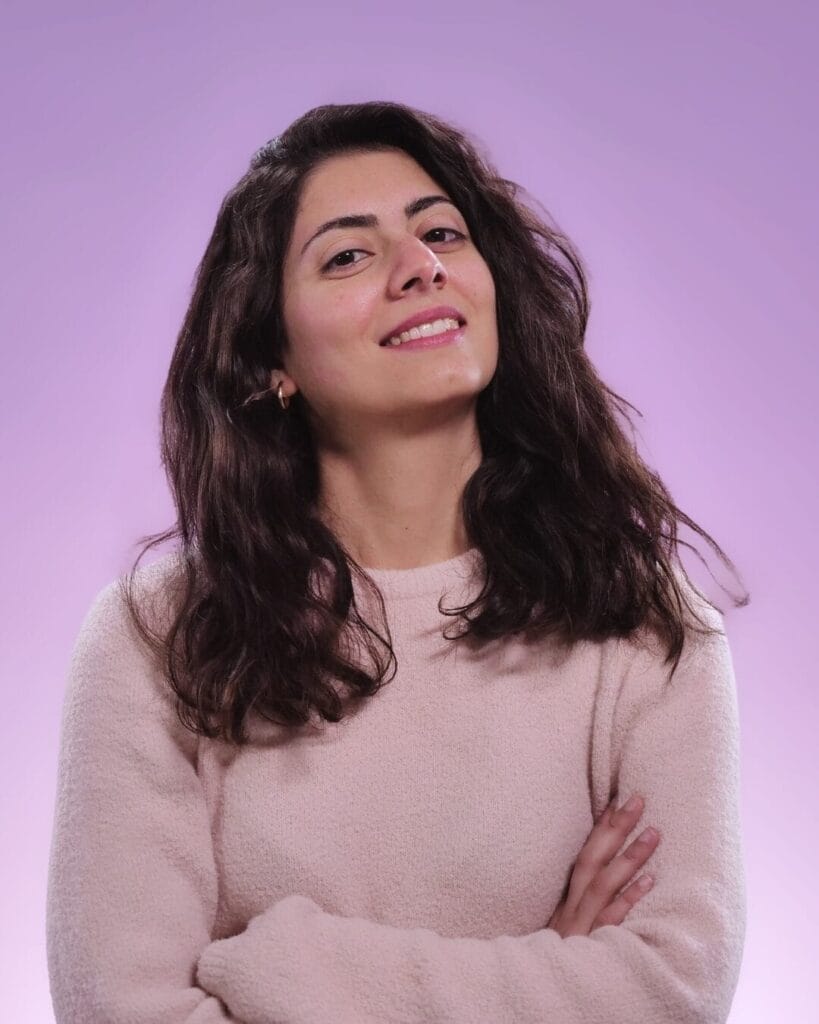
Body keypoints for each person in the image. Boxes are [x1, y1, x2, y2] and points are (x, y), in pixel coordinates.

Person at [46, 100, 749, 1022]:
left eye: (442, 234)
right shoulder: (159, 636)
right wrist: (548, 978)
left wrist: (286, 975)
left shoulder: (642, 622)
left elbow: (670, 990)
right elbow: (124, 1011)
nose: (419, 267)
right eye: (348, 254)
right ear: (271, 360)